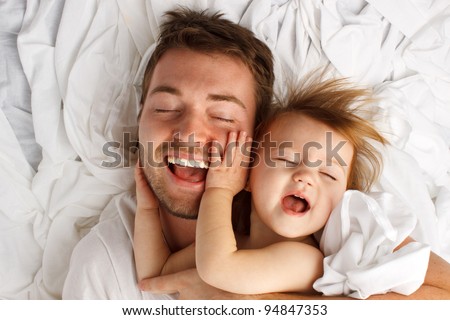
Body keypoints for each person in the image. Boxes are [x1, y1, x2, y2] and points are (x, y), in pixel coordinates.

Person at [63, 7, 450, 300]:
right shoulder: (102, 267)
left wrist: (243, 301)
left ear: (255, 141)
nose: (191, 133)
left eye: (223, 115)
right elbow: (157, 275)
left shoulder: (335, 237)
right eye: (165, 108)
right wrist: (146, 209)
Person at [134, 77, 389, 295]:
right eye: (286, 159)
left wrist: (219, 191)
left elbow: (218, 269)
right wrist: (147, 209)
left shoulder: (306, 260)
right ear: (246, 175)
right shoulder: (228, 240)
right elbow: (156, 275)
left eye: (328, 174)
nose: (306, 177)